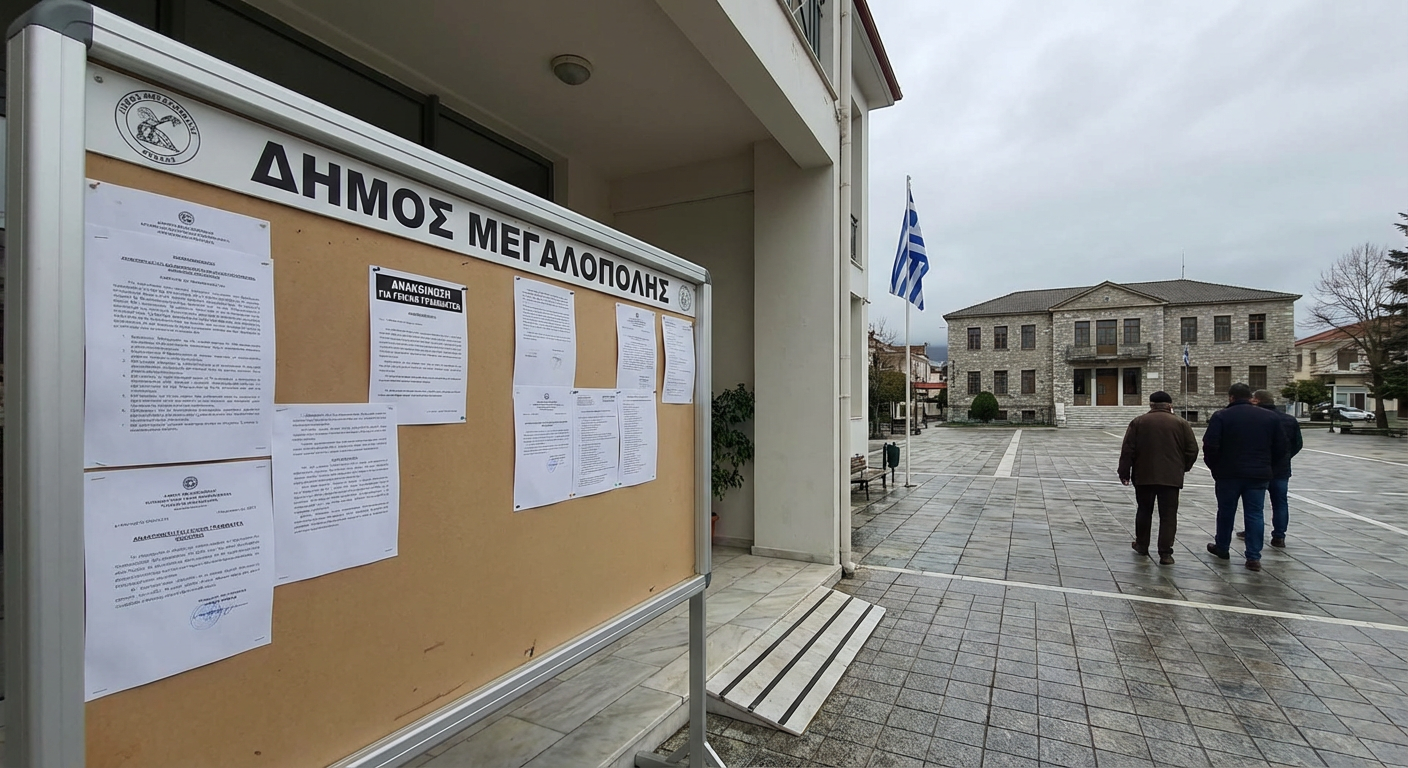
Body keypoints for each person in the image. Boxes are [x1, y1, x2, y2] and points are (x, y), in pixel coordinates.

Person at [1204, 382, 1288, 571]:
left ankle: (1222, 547)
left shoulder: (1221, 416)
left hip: (1228, 473)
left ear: (1231, 397)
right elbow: (1282, 448)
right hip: (1258, 474)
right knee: (1255, 513)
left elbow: (1210, 446)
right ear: (1250, 397)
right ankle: (1253, 556)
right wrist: (1268, 465)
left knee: (1226, 512)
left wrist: (1215, 468)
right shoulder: (1270, 417)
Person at [1118, 391, 1199, 565]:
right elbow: (1192, 449)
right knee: (1168, 515)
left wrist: (1124, 472)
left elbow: (1128, 450)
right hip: (1171, 477)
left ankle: (1142, 545)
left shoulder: (1139, 422)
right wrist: (1182, 467)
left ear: (1151, 405)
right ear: (1170, 405)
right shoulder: (1181, 423)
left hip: (1144, 475)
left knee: (1144, 510)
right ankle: (1165, 553)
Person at [1236, 390, 1303, 547]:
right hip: (1281, 469)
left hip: (1258, 467)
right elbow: (1297, 444)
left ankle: (1252, 531)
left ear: (1257, 400)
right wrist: (1285, 457)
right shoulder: (1289, 420)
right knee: (1280, 502)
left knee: (1255, 505)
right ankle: (1279, 535)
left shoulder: (1255, 419)